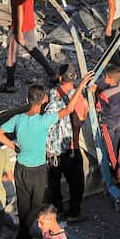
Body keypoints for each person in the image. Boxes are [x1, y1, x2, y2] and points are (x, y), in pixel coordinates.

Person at [1, 80, 88, 239]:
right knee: (36, 206)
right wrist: (81, 85)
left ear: (28, 99)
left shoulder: (18, 119)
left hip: (21, 168)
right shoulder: (44, 120)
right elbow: (69, 109)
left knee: (24, 206)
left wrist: (13, 146)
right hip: (38, 170)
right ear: (44, 100)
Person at [4, 0, 57, 89]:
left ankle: (10, 85)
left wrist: (18, 31)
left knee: (11, 54)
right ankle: (53, 75)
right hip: (29, 22)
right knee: (34, 50)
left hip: (20, 25)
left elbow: (20, 8)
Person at [45, 67, 89, 221]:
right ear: (75, 77)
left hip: (51, 150)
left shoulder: (50, 93)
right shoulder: (79, 99)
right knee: (76, 184)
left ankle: (57, 210)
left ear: (60, 78)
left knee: (54, 183)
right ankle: (73, 213)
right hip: (70, 148)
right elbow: (79, 122)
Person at [95, 65, 120, 181]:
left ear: (110, 79)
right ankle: (118, 168)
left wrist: (95, 91)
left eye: (105, 77)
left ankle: (118, 175)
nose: (103, 79)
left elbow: (98, 107)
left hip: (108, 124)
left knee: (110, 150)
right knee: (117, 147)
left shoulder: (104, 94)